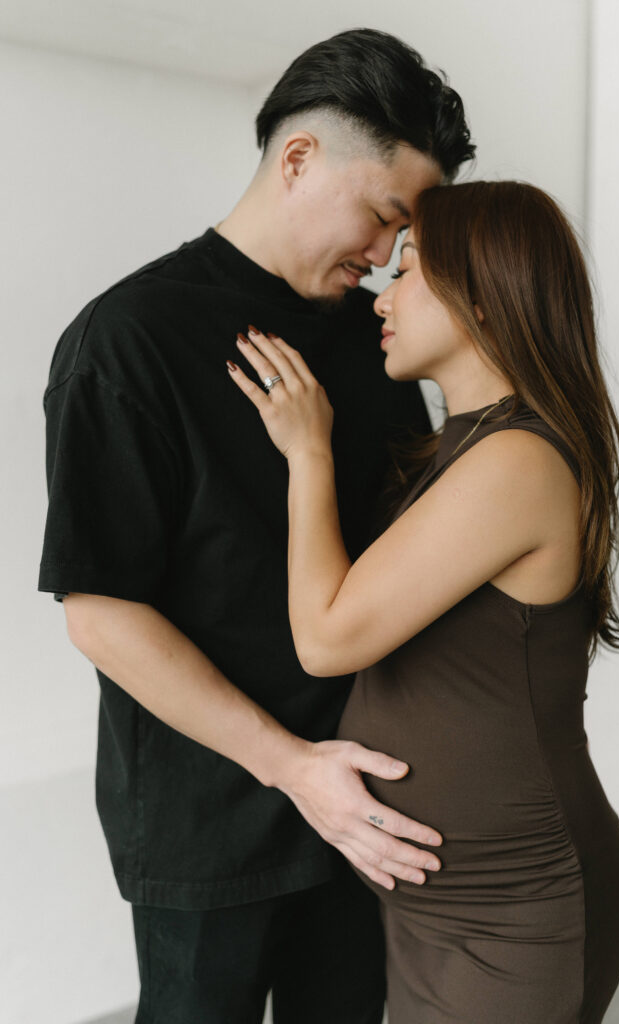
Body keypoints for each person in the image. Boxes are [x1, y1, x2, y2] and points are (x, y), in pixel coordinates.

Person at [37, 28, 476, 1024]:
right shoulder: (128, 341)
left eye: (401, 242)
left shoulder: (376, 344)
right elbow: (102, 614)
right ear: (297, 158)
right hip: (206, 820)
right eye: (381, 217)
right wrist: (291, 768)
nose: (382, 257)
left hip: (363, 806)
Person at [228, 180, 619, 1023]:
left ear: (482, 299)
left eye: (411, 267)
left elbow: (327, 637)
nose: (386, 288)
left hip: (517, 909)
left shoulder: (516, 460)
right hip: (443, 907)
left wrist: (307, 453)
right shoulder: (464, 445)